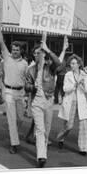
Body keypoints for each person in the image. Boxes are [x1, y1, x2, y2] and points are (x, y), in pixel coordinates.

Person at [25, 33, 61, 167]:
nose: (38, 55)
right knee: (40, 129)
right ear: (33, 55)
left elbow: (59, 63)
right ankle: (41, 156)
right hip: (36, 102)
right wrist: (31, 87)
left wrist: (47, 49)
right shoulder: (30, 70)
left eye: (40, 53)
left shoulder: (50, 68)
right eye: (36, 53)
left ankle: (43, 150)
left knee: (46, 129)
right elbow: (26, 86)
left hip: (49, 100)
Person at [0, 18, 28, 154]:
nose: (14, 51)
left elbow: (27, 79)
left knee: (21, 118)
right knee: (12, 119)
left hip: (20, 93)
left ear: (20, 51)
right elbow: (1, 41)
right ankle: (14, 144)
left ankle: (14, 134)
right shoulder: (7, 57)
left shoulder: (25, 63)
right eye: (13, 49)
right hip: (8, 92)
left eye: (17, 49)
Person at [56, 54, 87, 155]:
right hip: (70, 102)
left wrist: (82, 84)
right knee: (69, 126)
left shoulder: (84, 74)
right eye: (71, 63)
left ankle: (83, 148)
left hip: (81, 103)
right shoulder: (68, 75)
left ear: (79, 64)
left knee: (84, 126)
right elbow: (65, 89)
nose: (72, 65)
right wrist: (75, 84)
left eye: (74, 63)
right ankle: (61, 138)